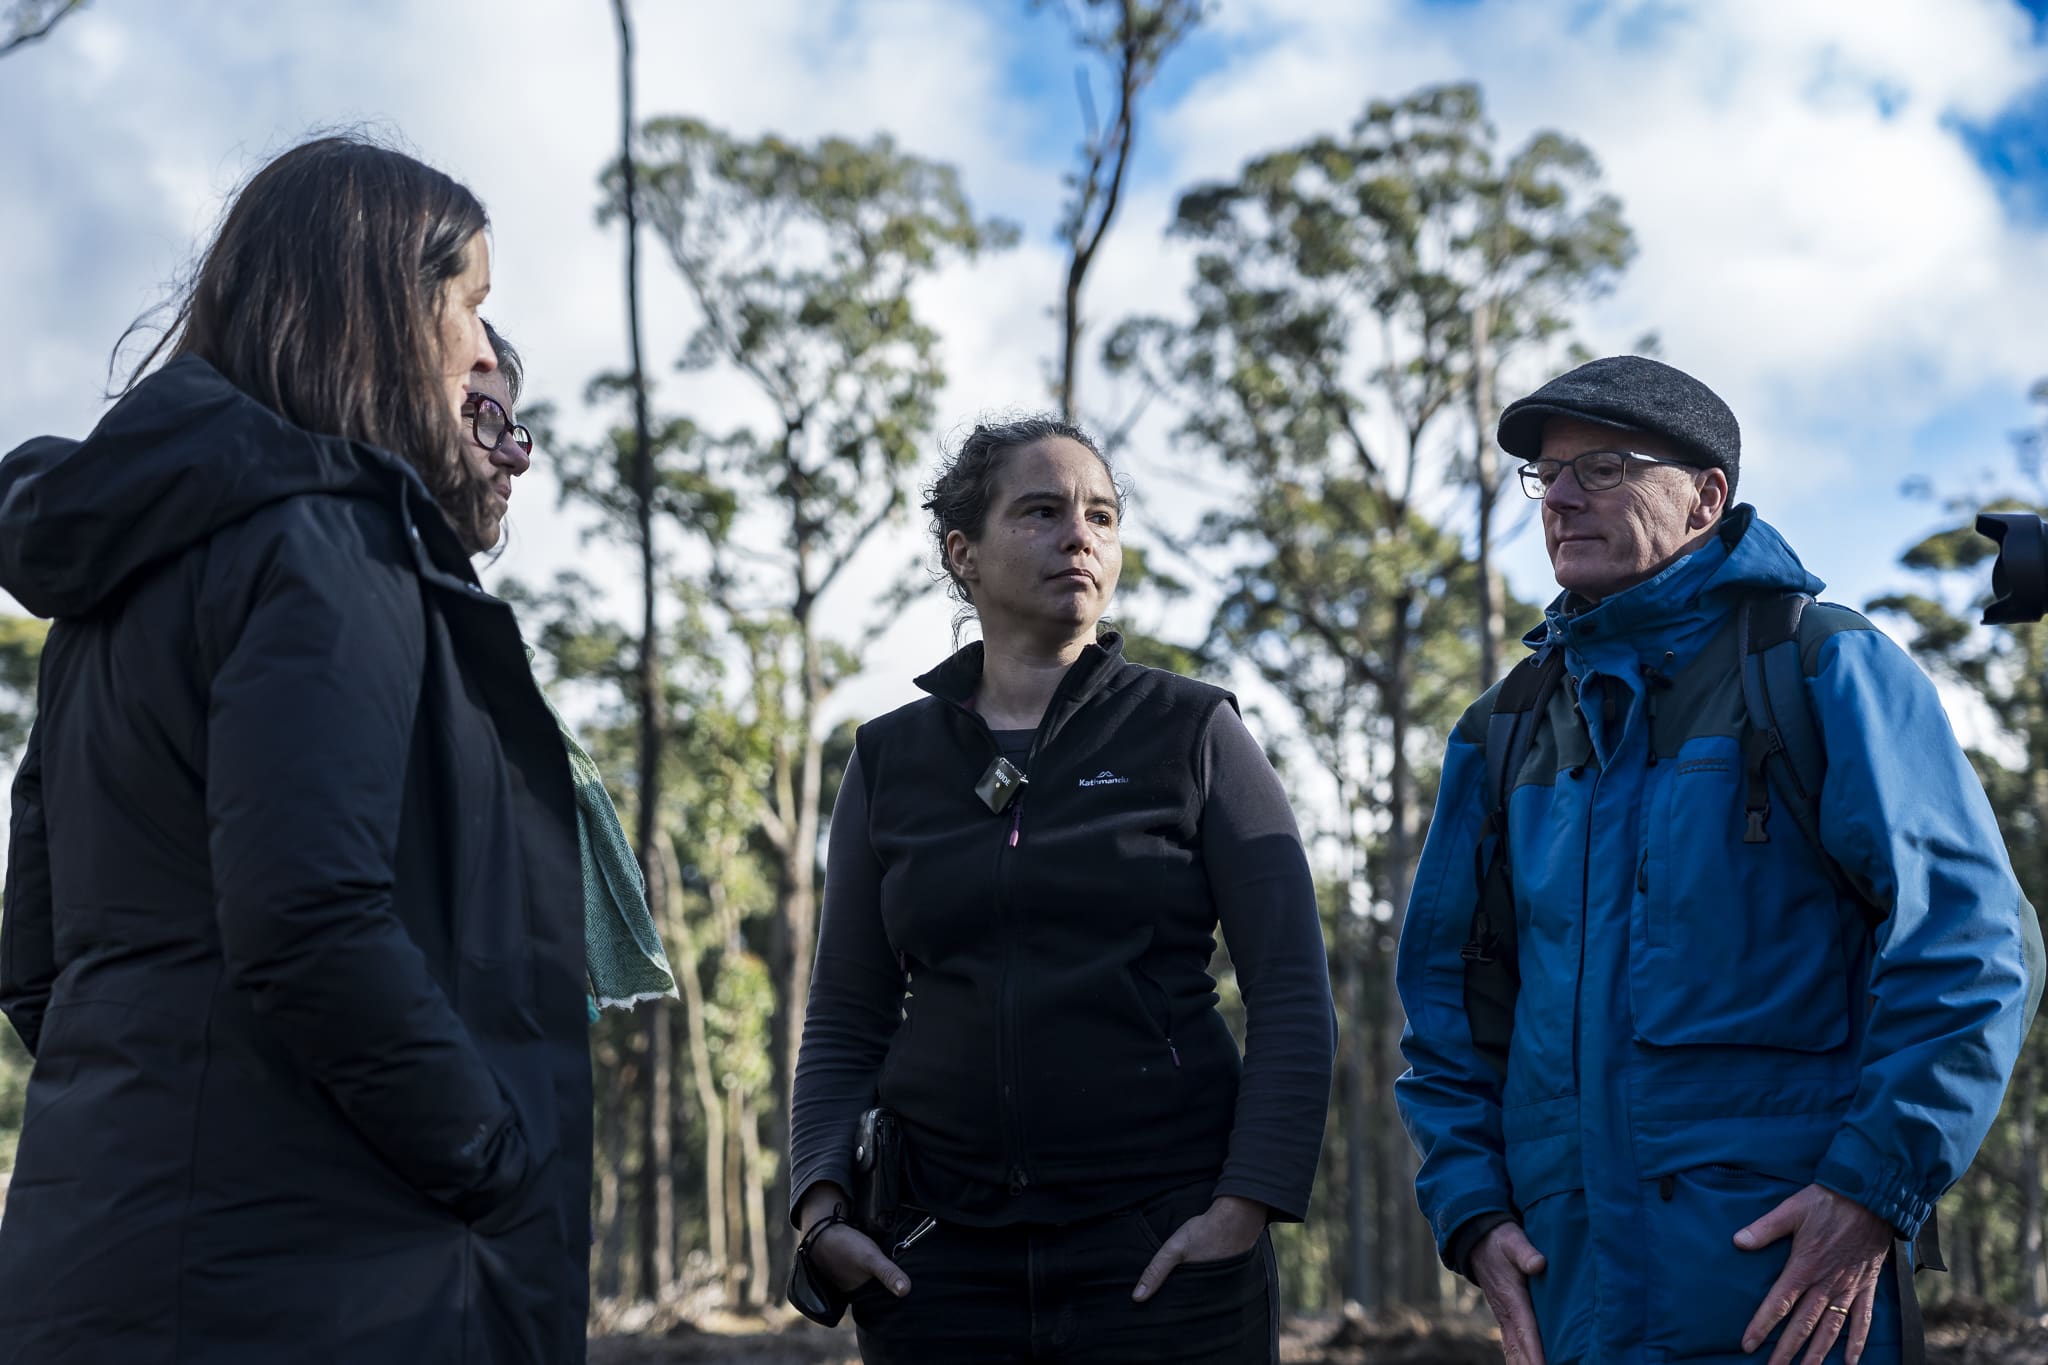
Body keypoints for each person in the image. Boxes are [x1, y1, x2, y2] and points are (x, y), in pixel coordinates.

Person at [0, 135, 592, 1363]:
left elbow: (33, 958)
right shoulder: (325, 544)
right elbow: (310, 919)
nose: (487, 349)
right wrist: (488, 1152)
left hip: (111, 1246)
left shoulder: (113, 587)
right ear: (370, 298)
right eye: (469, 304)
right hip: (317, 1280)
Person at [1394, 356, 2038, 1365]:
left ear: (1704, 498)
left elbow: (1970, 949)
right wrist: (1469, 1212)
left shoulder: (1820, 667)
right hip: (1573, 1300)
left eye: (1600, 467)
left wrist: (1872, 1189)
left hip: (1790, 1297)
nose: (1559, 496)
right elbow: (1445, 1009)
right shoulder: (1502, 730)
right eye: (1545, 475)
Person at [788, 416, 1338, 1364]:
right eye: (1041, 511)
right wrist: (821, 1202)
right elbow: (846, 1010)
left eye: (1101, 515)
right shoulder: (890, 759)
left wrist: (1244, 1206)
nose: (1079, 535)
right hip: (935, 1263)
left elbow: (1292, 993)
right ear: (962, 552)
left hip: (1162, 1257)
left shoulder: (1195, 731)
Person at [466, 322, 677, 1021]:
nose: (514, 457)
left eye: (515, 428)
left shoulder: (479, 650)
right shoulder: (381, 624)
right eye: (484, 416)